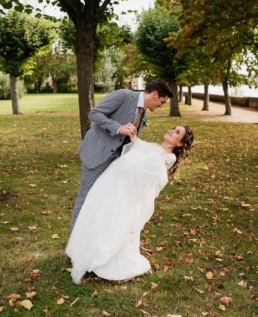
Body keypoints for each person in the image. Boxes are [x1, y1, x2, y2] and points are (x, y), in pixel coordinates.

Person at [66, 125, 194, 284]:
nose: (171, 131)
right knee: (100, 215)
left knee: (116, 223)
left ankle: (106, 260)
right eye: (173, 128)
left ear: (180, 144)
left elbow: (149, 176)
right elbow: (139, 147)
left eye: (177, 132)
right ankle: (87, 251)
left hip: (127, 192)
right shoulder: (153, 147)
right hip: (113, 182)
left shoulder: (168, 158)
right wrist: (133, 137)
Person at [70, 79, 173, 230]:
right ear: (155, 94)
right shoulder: (124, 95)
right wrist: (118, 128)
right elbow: (95, 114)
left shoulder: (143, 113)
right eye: (162, 102)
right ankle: (74, 243)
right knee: (86, 198)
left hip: (114, 162)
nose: (161, 106)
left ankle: (91, 238)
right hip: (97, 154)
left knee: (101, 200)